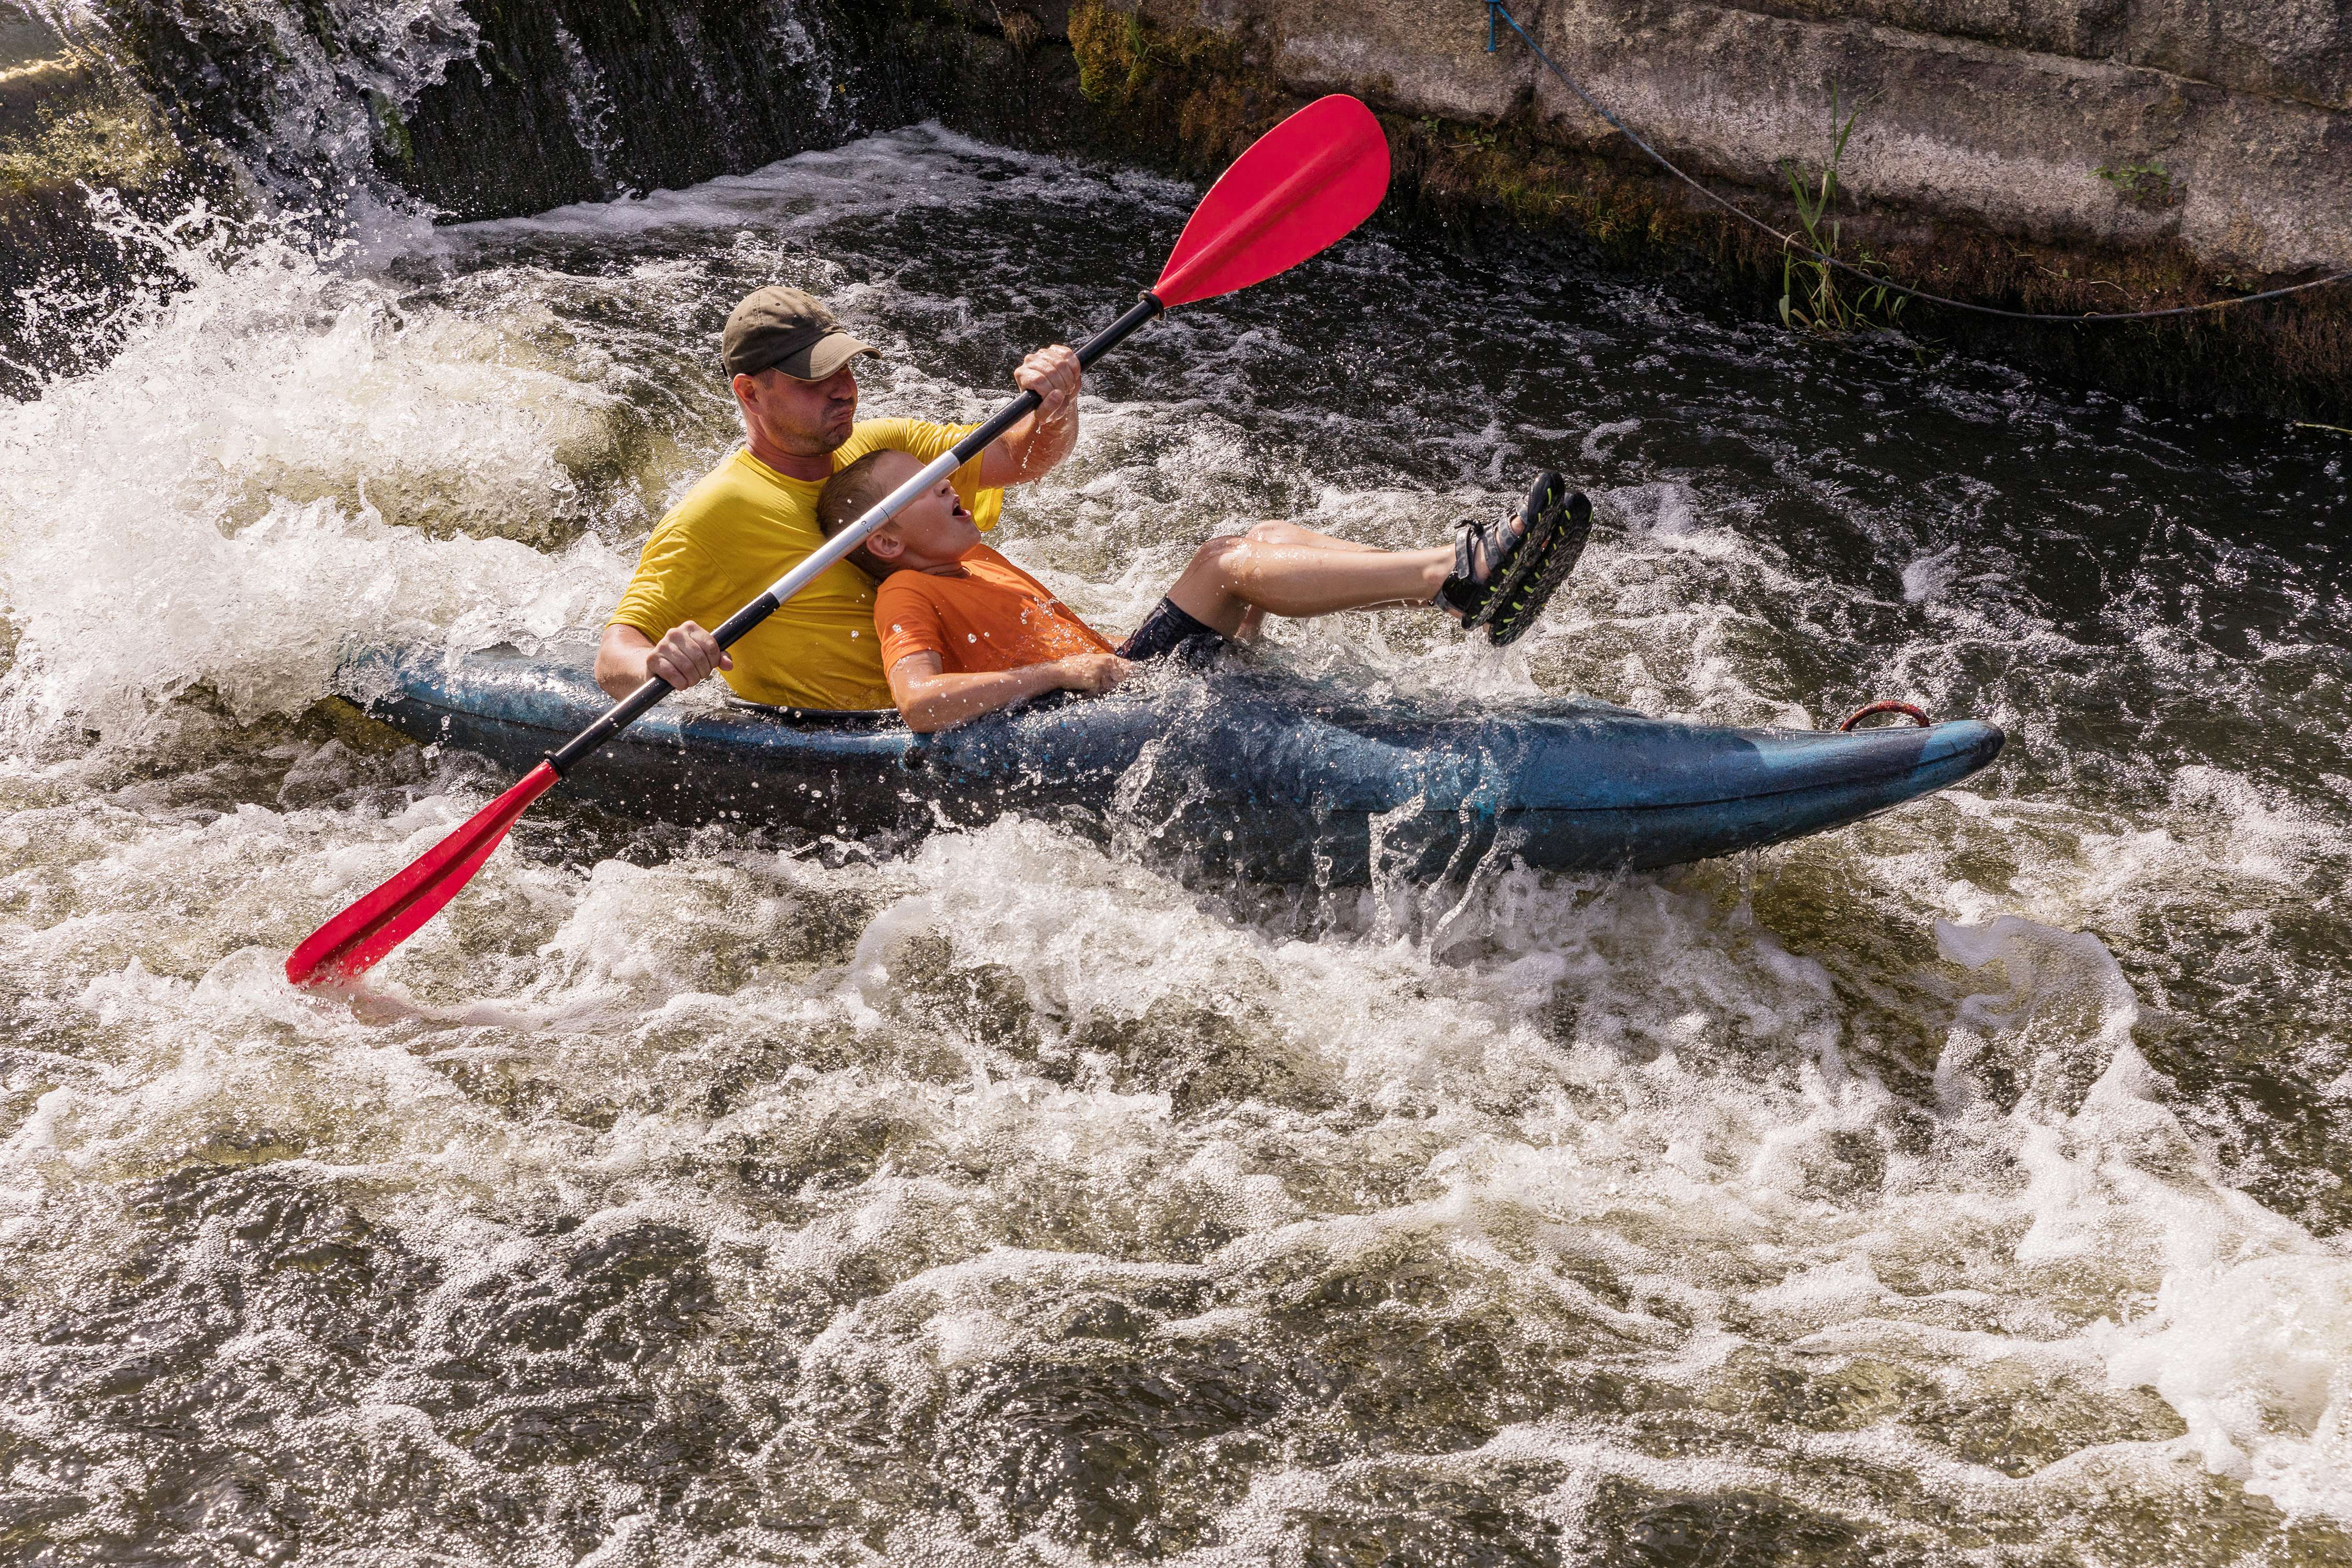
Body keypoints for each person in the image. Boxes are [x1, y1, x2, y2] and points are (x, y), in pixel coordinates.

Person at [814, 448, 1590, 733]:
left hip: (1128, 682)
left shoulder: (977, 561)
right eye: (920, 488)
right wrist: (1058, 674)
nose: (948, 481)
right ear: (885, 542)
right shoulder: (904, 595)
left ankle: (1452, 589)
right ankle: (1451, 573)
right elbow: (918, 706)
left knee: (1271, 537)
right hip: (1098, 714)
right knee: (1224, 560)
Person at [594, 285, 1077, 709]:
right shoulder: (717, 513)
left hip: (976, 699)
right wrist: (661, 661)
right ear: (749, 392)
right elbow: (615, 654)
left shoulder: (888, 448)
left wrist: (1055, 403)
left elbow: (1022, 457)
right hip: (861, 733)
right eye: (815, 379)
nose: (846, 390)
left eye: (846, 368)